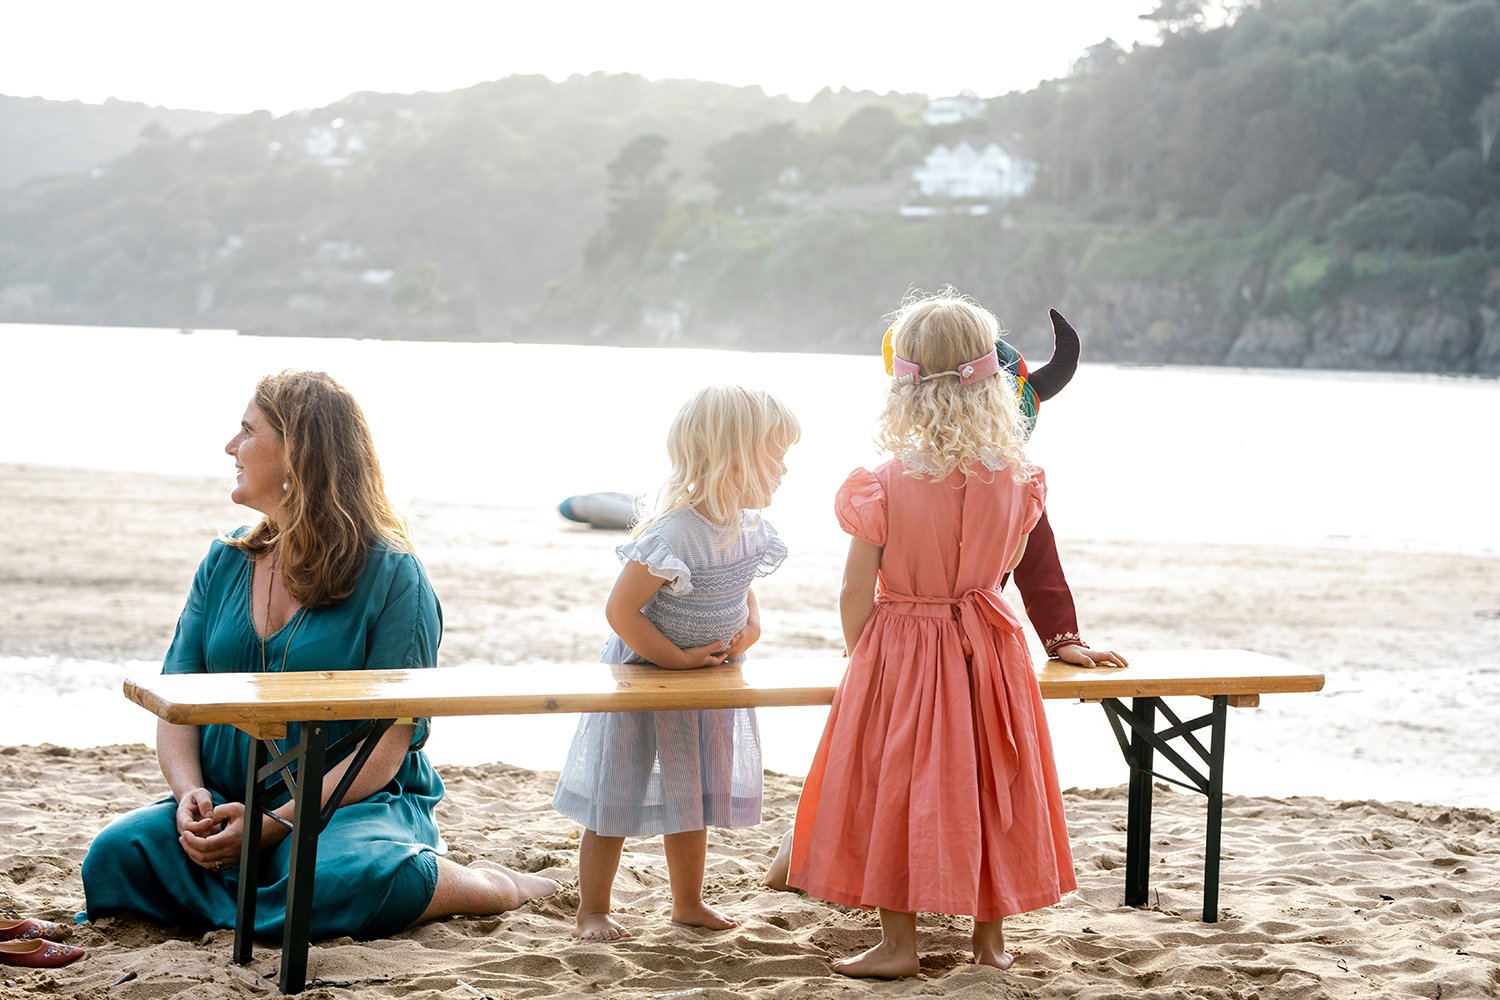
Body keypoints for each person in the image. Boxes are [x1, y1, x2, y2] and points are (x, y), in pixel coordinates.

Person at [81, 370, 558, 941]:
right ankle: (257, 887)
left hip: (347, 805)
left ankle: (491, 887)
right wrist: (189, 796)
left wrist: (277, 823)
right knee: (114, 855)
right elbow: (177, 700)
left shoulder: (393, 575)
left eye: (246, 432)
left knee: (334, 876)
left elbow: (388, 744)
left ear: (298, 453)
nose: (230, 447)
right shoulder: (224, 561)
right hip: (230, 801)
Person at [783, 287, 1113, 977]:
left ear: (903, 383)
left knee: (893, 786)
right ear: (996, 378)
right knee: (995, 782)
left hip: (902, 647)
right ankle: (989, 945)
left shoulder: (882, 482)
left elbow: (853, 589)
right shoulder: (1019, 479)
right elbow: (1008, 568)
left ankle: (899, 946)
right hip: (990, 647)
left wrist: (862, 654)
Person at [552, 385, 799, 942]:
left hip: (702, 678)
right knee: (616, 791)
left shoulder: (750, 528)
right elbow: (622, 611)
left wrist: (748, 633)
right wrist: (675, 660)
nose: (785, 468)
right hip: (644, 675)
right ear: (733, 458)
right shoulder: (677, 531)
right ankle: (593, 908)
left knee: (691, 797)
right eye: (775, 453)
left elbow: (743, 593)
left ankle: (687, 903)